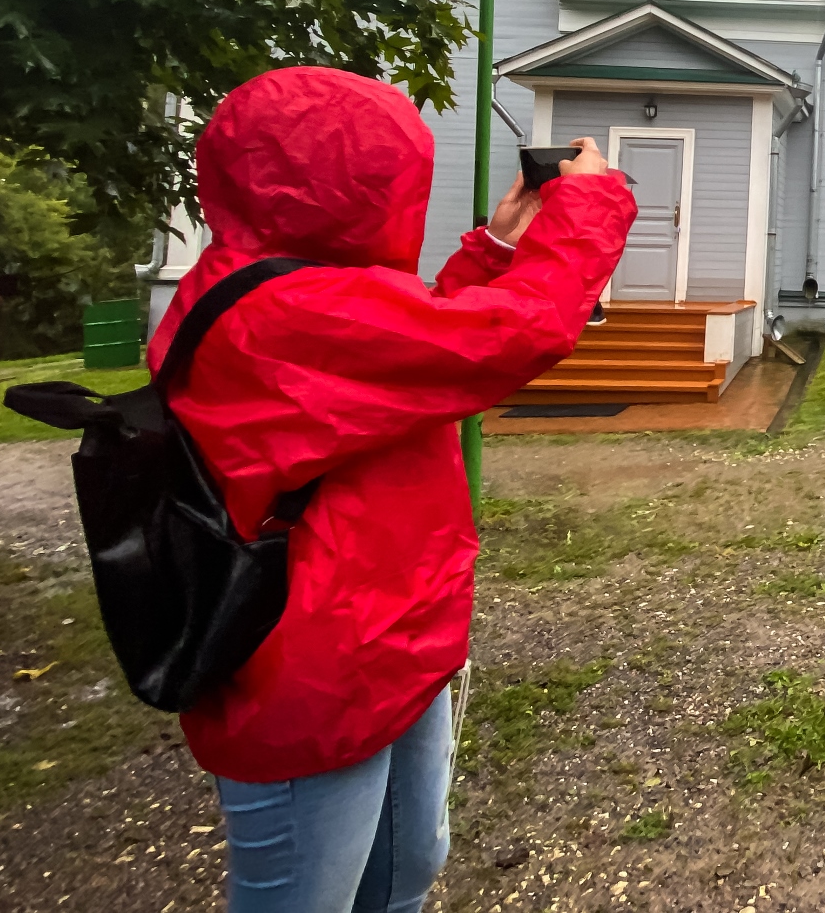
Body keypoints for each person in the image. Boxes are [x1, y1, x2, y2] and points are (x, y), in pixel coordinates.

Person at [148, 67, 636, 913]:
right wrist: (589, 207)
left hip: (382, 644)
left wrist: (496, 245)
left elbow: (410, 348)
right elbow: (496, 339)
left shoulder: (307, 300)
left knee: (406, 868)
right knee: (306, 897)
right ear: (364, 185)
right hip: (308, 673)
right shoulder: (281, 314)